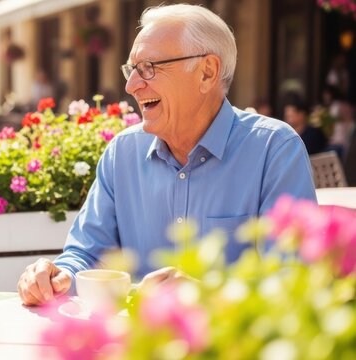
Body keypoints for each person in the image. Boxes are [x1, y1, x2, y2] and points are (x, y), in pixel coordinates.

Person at [17, 4, 316, 306]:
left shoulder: (274, 150)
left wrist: (207, 297)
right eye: (131, 69)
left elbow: (290, 281)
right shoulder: (122, 154)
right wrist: (59, 277)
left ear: (206, 72)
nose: (131, 85)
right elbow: (88, 254)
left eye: (149, 67)